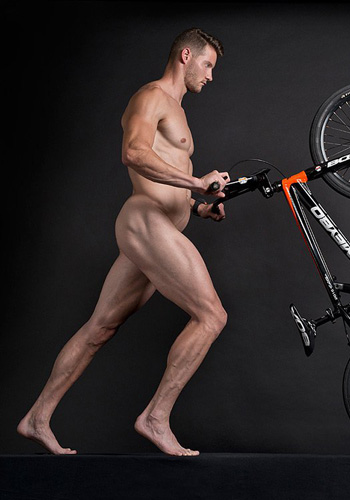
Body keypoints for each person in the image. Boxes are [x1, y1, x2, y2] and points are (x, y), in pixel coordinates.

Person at [17, 28, 229, 457]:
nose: (210, 76)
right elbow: (133, 153)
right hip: (145, 222)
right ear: (186, 56)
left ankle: (37, 418)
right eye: (207, 65)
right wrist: (195, 181)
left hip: (157, 227)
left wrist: (197, 205)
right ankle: (155, 418)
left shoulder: (177, 109)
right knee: (211, 316)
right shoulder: (151, 97)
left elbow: (164, 175)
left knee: (100, 328)